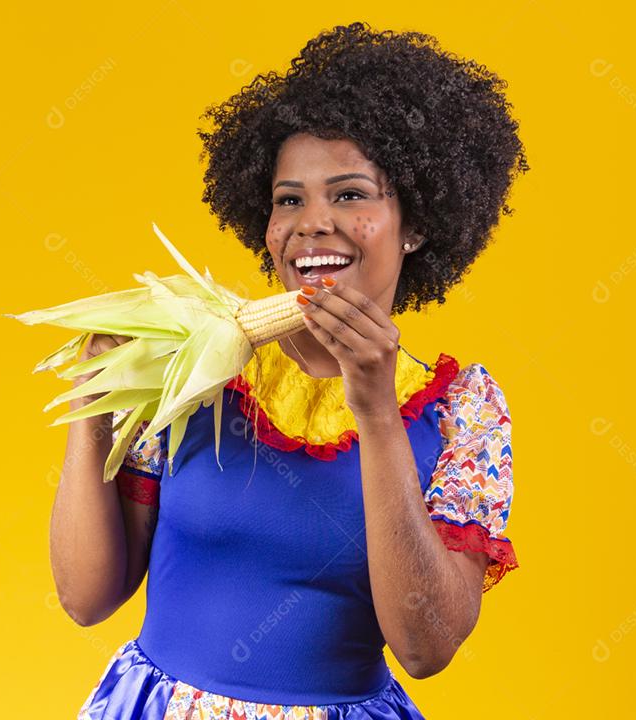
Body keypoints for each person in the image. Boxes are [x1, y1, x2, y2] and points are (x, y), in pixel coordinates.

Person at [54, 20, 528, 719]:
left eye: (350, 195)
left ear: (417, 223)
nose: (311, 224)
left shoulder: (461, 410)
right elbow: (85, 598)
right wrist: (94, 412)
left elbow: (426, 649)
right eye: (288, 199)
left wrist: (375, 412)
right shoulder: (198, 371)